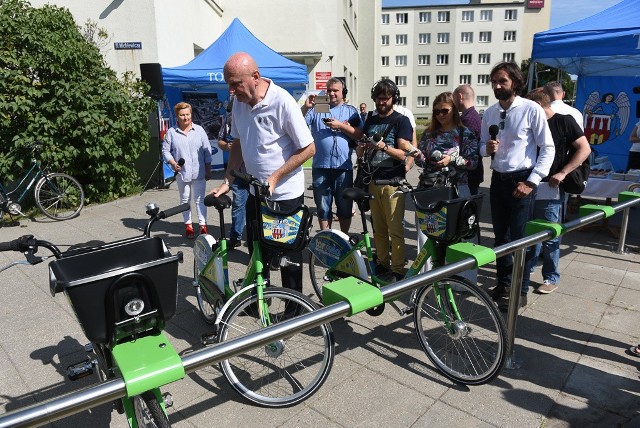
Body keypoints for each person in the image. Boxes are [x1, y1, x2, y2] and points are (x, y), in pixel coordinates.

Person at [209, 52, 315, 294]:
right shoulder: (239, 103)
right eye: (229, 84)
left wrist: (275, 177)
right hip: (254, 190)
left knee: (288, 253)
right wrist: (228, 179)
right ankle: (257, 300)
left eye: (235, 83)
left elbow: (309, 148)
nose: (232, 91)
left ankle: (293, 308)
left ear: (255, 77)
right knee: (257, 249)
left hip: (284, 193)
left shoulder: (282, 101)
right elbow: (237, 143)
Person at [480, 62, 555, 309]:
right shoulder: (490, 112)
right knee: (501, 238)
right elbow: (481, 146)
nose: (497, 86)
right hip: (498, 180)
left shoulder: (531, 109)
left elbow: (548, 148)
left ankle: (520, 290)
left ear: (515, 82)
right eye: (494, 82)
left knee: (520, 239)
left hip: (522, 180)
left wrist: (532, 182)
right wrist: (486, 148)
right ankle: (503, 283)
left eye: (502, 81)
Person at [526, 90, 590, 294]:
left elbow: (584, 148)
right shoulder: (532, 123)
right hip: (528, 184)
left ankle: (550, 277)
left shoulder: (564, 121)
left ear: (537, 104)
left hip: (551, 187)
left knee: (550, 233)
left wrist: (563, 172)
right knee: (529, 234)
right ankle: (524, 276)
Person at [357, 79, 413, 280]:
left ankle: (398, 268)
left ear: (393, 98)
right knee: (378, 229)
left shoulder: (401, 121)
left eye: (385, 98)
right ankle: (382, 263)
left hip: (393, 183)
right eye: (378, 99)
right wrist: (361, 149)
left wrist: (383, 147)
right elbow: (361, 146)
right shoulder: (371, 120)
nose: (381, 102)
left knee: (395, 230)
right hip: (373, 181)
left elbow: (403, 154)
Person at [302, 78, 363, 233]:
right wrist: (305, 107)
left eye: (335, 90)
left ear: (343, 92)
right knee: (323, 207)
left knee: (344, 207)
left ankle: (344, 239)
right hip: (320, 166)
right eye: (329, 90)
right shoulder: (320, 106)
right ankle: (326, 237)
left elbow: (360, 134)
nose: (331, 93)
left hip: (343, 167)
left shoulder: (351, 111)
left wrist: (340, 126)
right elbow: (299, 124)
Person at [162, 102, 212, 238]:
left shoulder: (199, 130)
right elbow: (165, 150)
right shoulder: (172, 132)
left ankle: (203, 226)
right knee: (185, 200)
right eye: (182, 115)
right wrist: (173, 163)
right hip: (182, 173)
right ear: (177, 116)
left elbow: (207, 151)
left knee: (200, 200)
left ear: (191, 114)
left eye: (187, 114)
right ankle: (188, 225)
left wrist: (208, 169)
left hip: (199, 171)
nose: (185, 118)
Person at [217, 96, 248, 249]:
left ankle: (255, 238)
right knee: (238, 205)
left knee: (258, 207)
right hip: (237, 172)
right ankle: (235, 236)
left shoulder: (253, 118)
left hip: (255, 174)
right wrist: (228, 147)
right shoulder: (228, 120)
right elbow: (220, 141)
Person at [453, 84, 483, 195]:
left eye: (453, 98)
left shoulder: (468, 119)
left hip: (468, 174)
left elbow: (465, 150)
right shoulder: (473, 116)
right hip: (471, 173)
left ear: (460, 97)